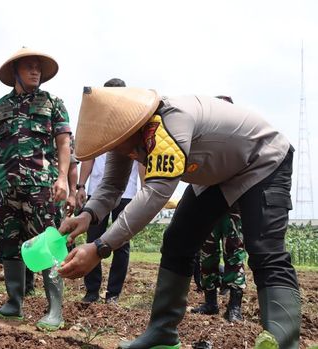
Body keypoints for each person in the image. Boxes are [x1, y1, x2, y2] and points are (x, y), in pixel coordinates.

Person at [59, 87, 300, 349]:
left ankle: (284, 343)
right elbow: (111, 187)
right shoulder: (123, 138)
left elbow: (155, 194)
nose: (118, 151)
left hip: (263, 160)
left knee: (265, 251)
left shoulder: (169, 121)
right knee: (177, 241)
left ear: (128, 125)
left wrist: (100, 247)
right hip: (219, 174)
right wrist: (87, 216)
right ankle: (162, 332)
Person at [0, 47, 71, 331]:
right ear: (15, 72)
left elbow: (64, 143)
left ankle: (54, 309)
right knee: (8, 244)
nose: (35, 71)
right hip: (7, 187)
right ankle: (13, 303)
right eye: (29, 67)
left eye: (38, 68)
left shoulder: (53, 103)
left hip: (42, 186)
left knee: (48, 245)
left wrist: (63, 178)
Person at [75, 77, 142, 304]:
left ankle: (113, 294)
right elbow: (89, 156)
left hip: (127, 192)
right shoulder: (97, 121)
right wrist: (81, 185)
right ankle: (92, 291)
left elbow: (141, 160)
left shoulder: (134, 118)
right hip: (98, 192)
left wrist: (145, 190)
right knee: (93, 238)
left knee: (121, 243)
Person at [190, 94, 247, 323]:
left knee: (234, 254)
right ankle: (211, 302)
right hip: (207, 205)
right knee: (207, 256)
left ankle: (234, 307)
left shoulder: (241, 137)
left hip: (232, 207)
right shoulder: (203, 137)